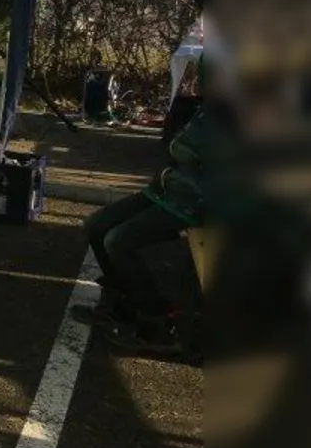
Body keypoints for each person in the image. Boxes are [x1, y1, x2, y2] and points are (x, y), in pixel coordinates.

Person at [80, 108, 212, 353]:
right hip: (170, 189)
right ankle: (124, 304)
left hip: (198, 202)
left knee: (118, 241)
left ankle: (159, 321)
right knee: (96, 225)